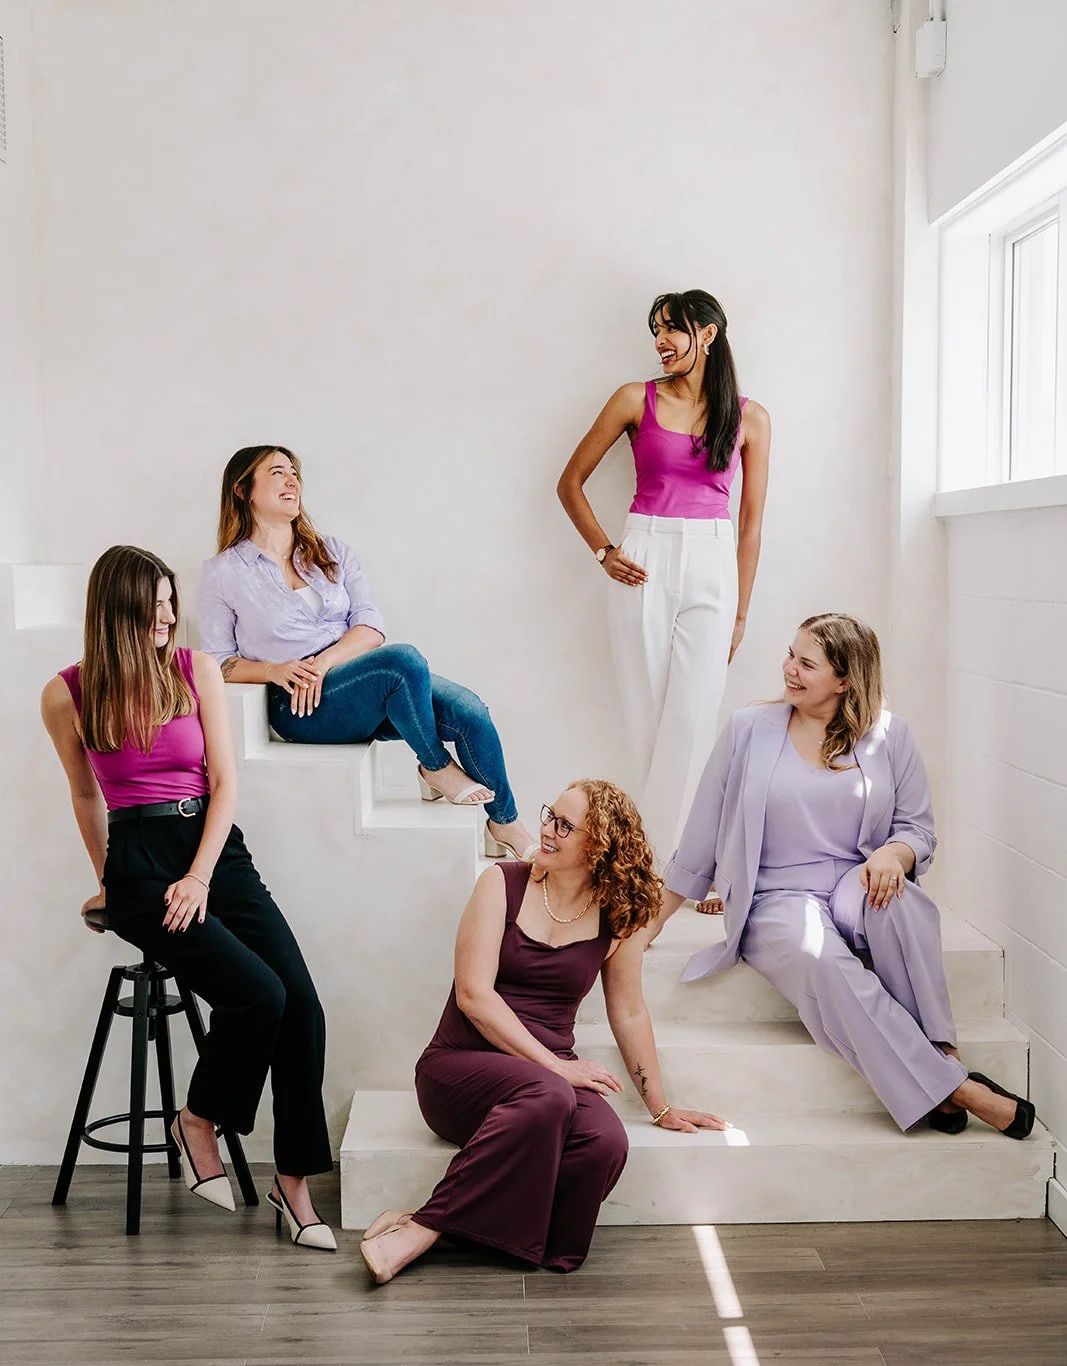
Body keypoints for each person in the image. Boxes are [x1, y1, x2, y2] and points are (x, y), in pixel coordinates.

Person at [41, 546, 338, 1249]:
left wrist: (201, 874)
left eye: (171, 606)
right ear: (116, 614)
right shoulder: (66, 694)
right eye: (154, 609)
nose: (169, 620)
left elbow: (226, 784)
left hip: (214, 850)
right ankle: (198, 1118)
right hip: (139, 864)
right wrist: (109, 882)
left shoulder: (194, 669)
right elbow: (85, 794)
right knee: (257, 994)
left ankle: (292, 1183)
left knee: (301, 1005)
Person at [650, 613, 1035, 1139]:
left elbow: (918, 829)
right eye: (790, 655)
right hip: (776, 894)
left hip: (857, 879)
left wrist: (894, 854)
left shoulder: (891, 735)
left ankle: (943, 1054)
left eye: (807, 663)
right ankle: (957, 1088)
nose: (789, 669)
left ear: (845, 678)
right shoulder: (748, 729)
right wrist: (653, 921)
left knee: (904, 903)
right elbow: (701, 830)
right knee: (819, 957)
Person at [359, 780, 728, 1284]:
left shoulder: (616, 917)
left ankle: (459, 1233)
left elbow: (628, 1012)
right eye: (549, 815)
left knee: (604, 1142)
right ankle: (424, 1226)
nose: (547, 831)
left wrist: (660, 1106)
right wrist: (556, 1067)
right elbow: (473, 996)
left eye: (564, 825)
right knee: (550, 1093)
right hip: (459, 1069)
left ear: (599, 847)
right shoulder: (501, 884)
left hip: (543, 1087)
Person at [197, 446, 536, 862]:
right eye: (277, 472)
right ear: (242, 489)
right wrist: (274, 670)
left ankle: (504, 824)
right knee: (403, 661)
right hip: (301, 704)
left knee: (471, 712)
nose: (291, 480)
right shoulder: (223, 573)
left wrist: (325, 661)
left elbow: (370, 626)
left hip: (358, 678)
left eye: (295, 473)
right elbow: (218, 661)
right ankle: (434, 766)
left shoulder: (331, 551)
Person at [557, 289, 771, 865]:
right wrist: (604, 551)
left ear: (708, 334)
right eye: (656, 329)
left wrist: (741, 613)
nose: (661, 341)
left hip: (714, 564)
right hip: (643, 560)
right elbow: (569, 483)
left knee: (694, 719)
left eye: (672, 328)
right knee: (648, 719)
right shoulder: (634, 398)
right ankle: (667, 863)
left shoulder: (750, 417)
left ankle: (665, 862)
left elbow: (751, 526)